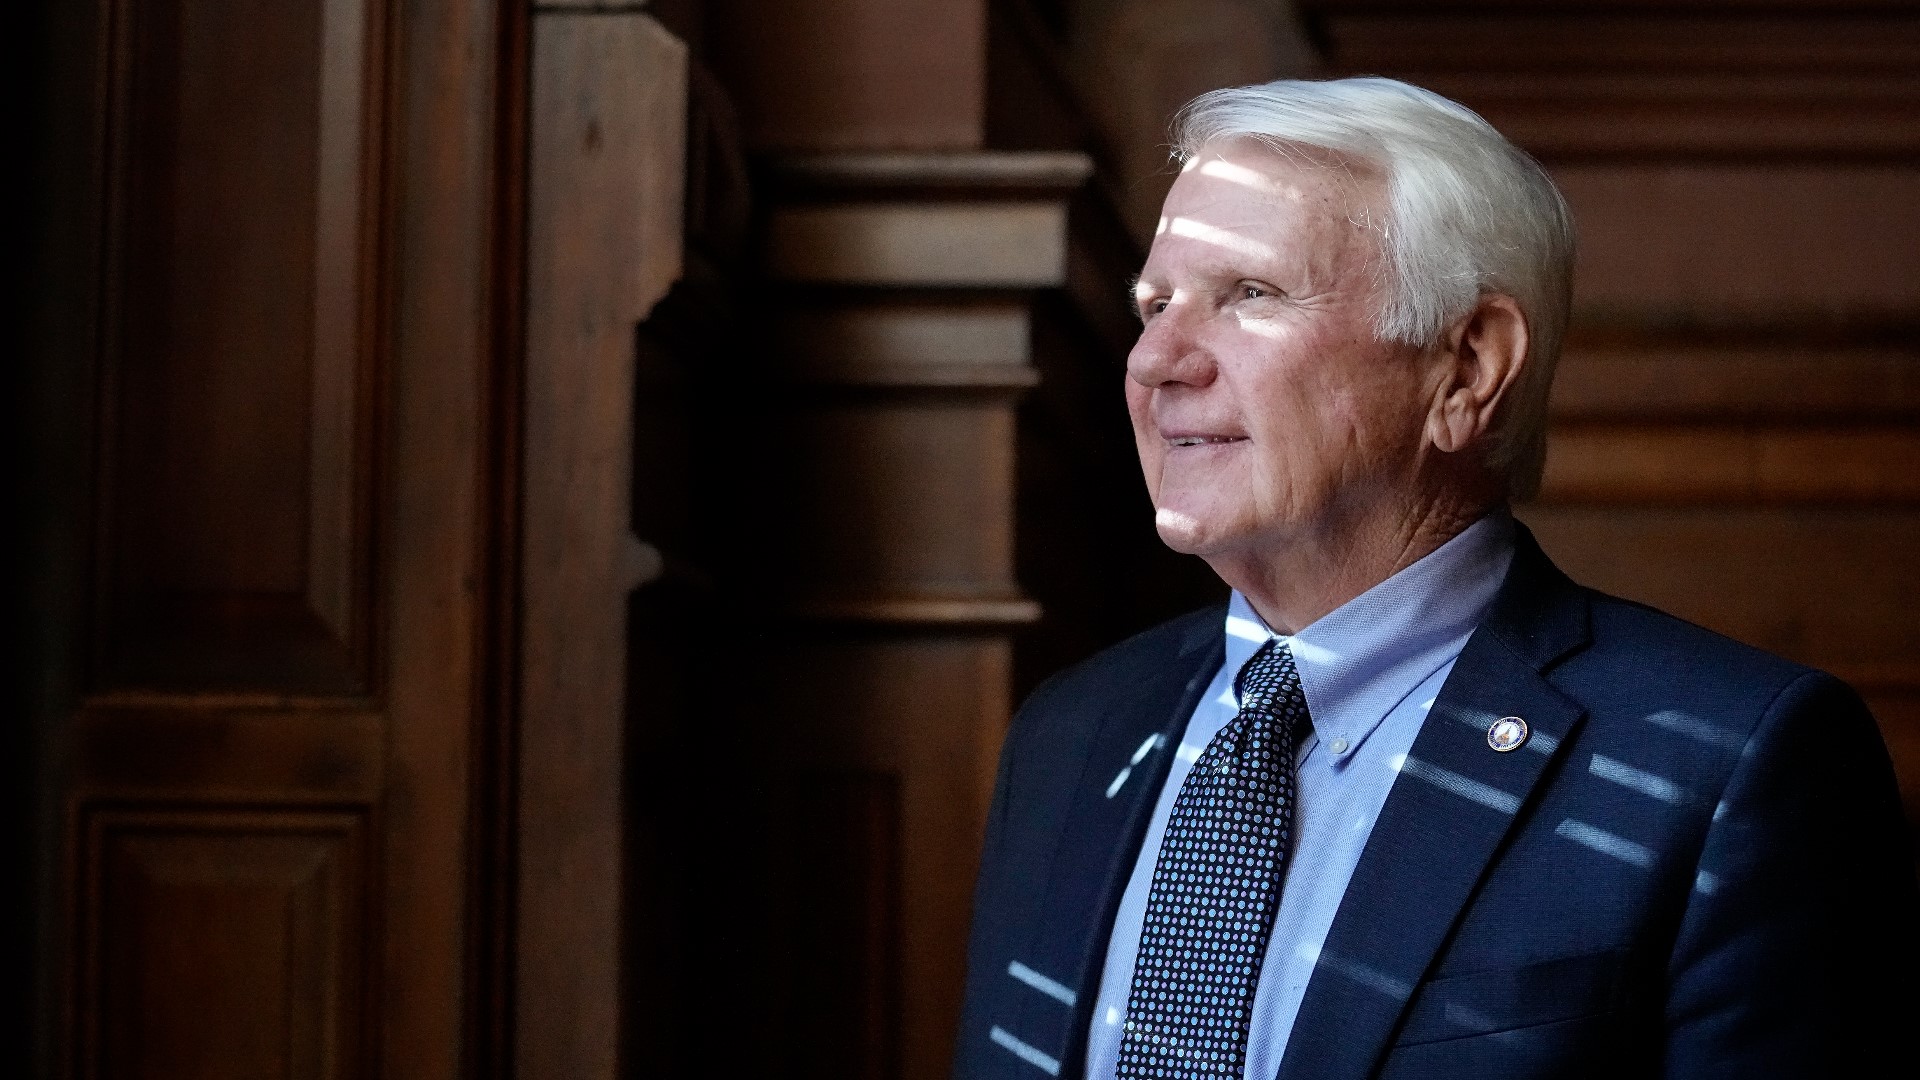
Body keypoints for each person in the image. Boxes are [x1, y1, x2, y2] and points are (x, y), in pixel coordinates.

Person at [953, 77, 1918, 1080]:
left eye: (1249, 294)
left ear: (1466, 367)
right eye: (1155, 304)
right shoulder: (1071, 735)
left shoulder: (1730, 764)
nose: (1155, 361)